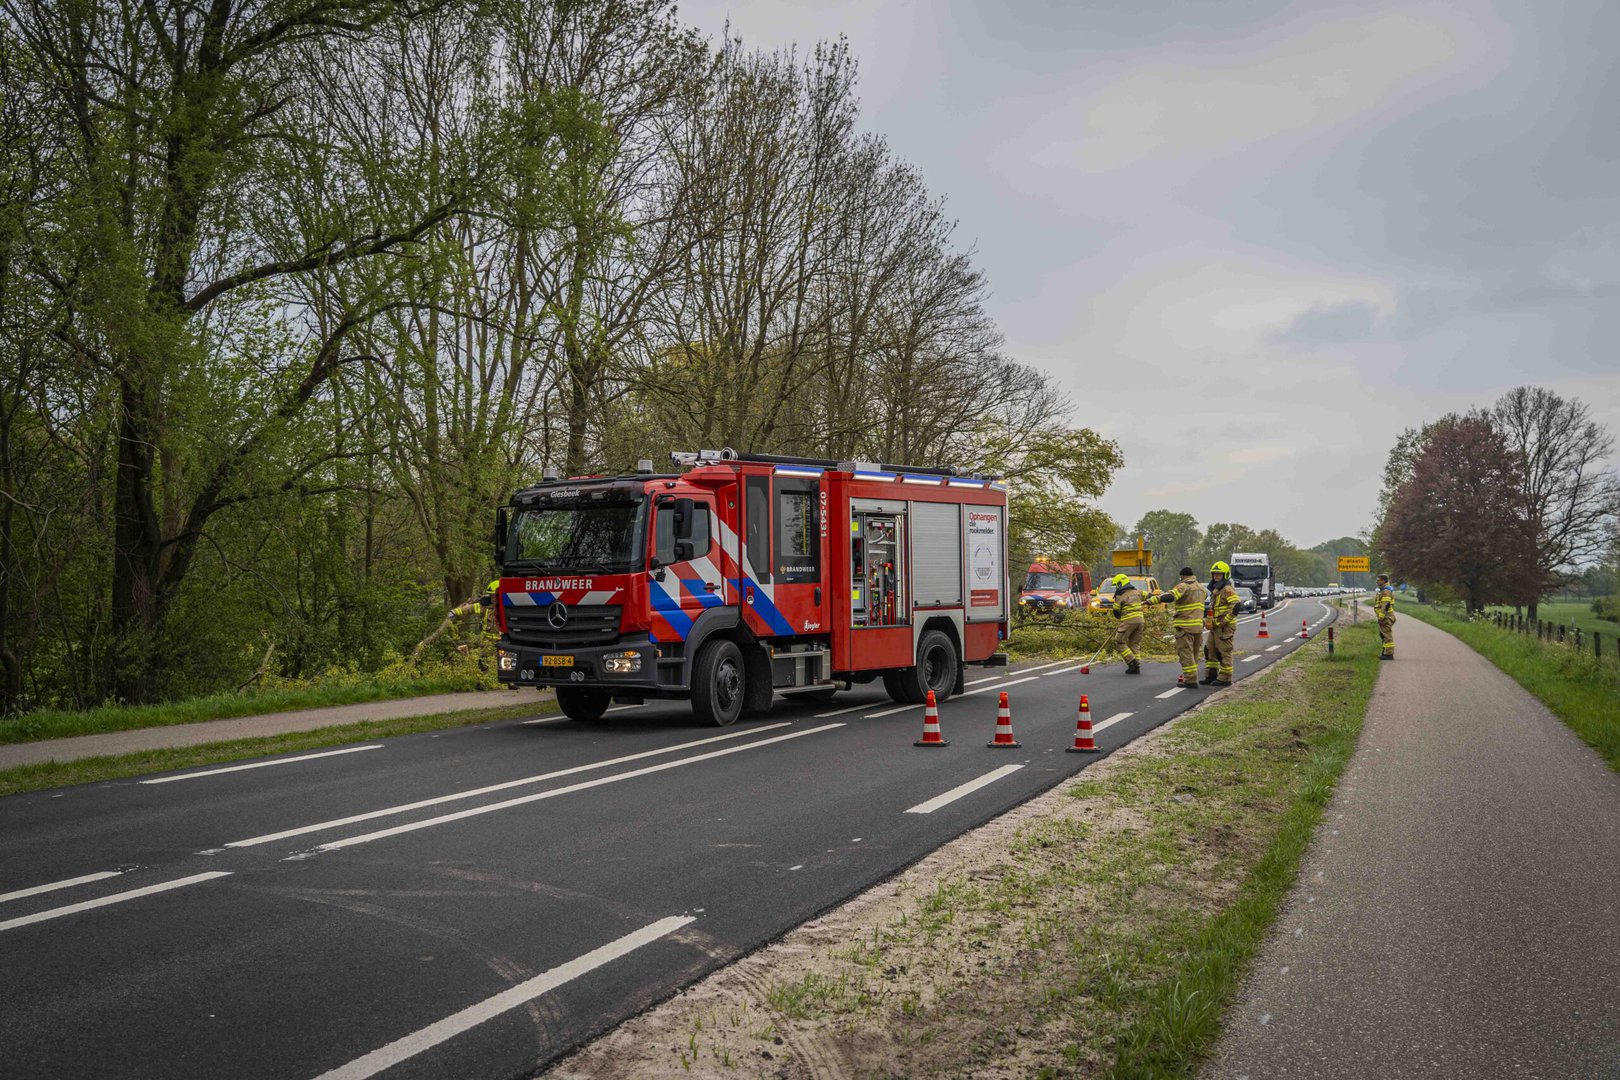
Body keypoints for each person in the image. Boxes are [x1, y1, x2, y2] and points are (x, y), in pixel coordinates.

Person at [1150, 566, 1208, 687]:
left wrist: (1153, 600)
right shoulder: (1201, 588)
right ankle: (1191, 677)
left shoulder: (1183, 586)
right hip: (1198, 627)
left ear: (1182, 576)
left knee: (1185, 653)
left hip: (1185, 626)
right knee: (1194, 654)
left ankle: (1191, 680)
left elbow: (1171, 596)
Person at [1202, 561, 1241, 686]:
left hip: (1224, 627)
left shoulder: (1227, 589)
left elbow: (1236, 605)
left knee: (1223, 651)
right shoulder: (1216, 590)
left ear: (1225, 575)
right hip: (1215, 626)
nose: (1216, 577)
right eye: (1214, 574)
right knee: (1209, 649)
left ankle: (1225, 677)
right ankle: (1211, 675)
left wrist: (1225, 621)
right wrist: (1208, 620)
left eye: (1219, 574)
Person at [1108, 573, 1146, 674]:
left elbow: (1116, 612)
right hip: (1140, 621)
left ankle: (1132, 662)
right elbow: (1148, 596)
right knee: (1134, 643)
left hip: (1129, 620)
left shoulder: (1120, 596)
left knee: (1119, 641)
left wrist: (1121, 619)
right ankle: (1137, 666)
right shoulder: (1138, 592)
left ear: (1120, 584)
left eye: (1116, 585)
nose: (1116, 588)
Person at [1374, 573, 1396, 659]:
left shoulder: (1386, 591)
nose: (1377, 581)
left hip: (1386, 617)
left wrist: (1381, 616)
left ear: (1383, 581)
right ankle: (1385, 652)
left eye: (1378, 580)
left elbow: (1385, 605)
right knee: (1383, 634)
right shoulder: (1385, 589)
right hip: (1387, 616)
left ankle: (1389, 654)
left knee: (1387, 636)